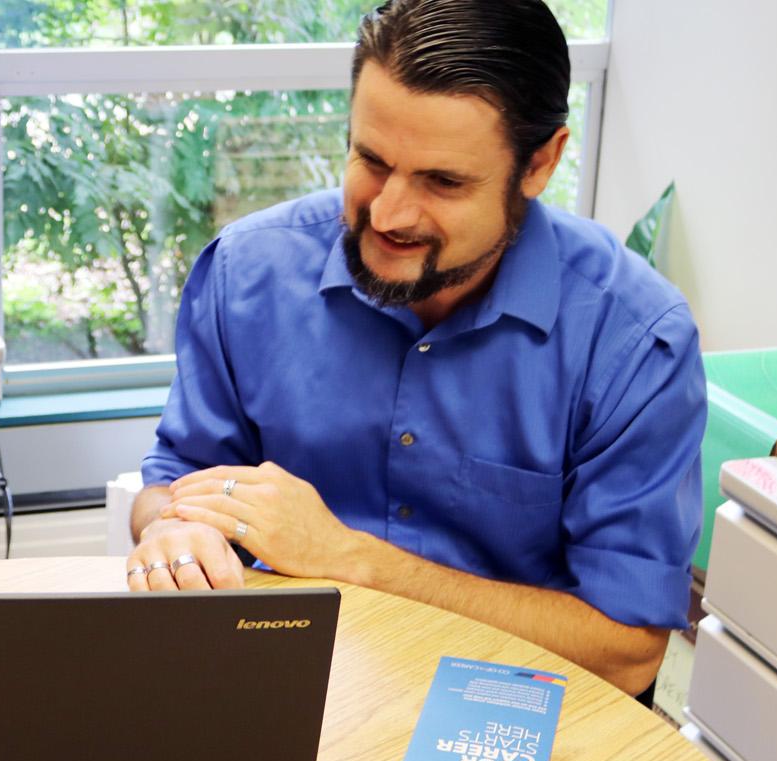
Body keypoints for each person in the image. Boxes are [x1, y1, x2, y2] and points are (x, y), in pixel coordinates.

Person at [127, 0, 706, 698]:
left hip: (512, 706)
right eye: (370, 159)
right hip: (280, 683)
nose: (388, 214)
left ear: (541, 163)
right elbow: (176, 478)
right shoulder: (246, 273)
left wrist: (356, 562)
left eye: (443, 182)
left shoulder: (635, 341)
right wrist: (169, 531)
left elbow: (626, 650)